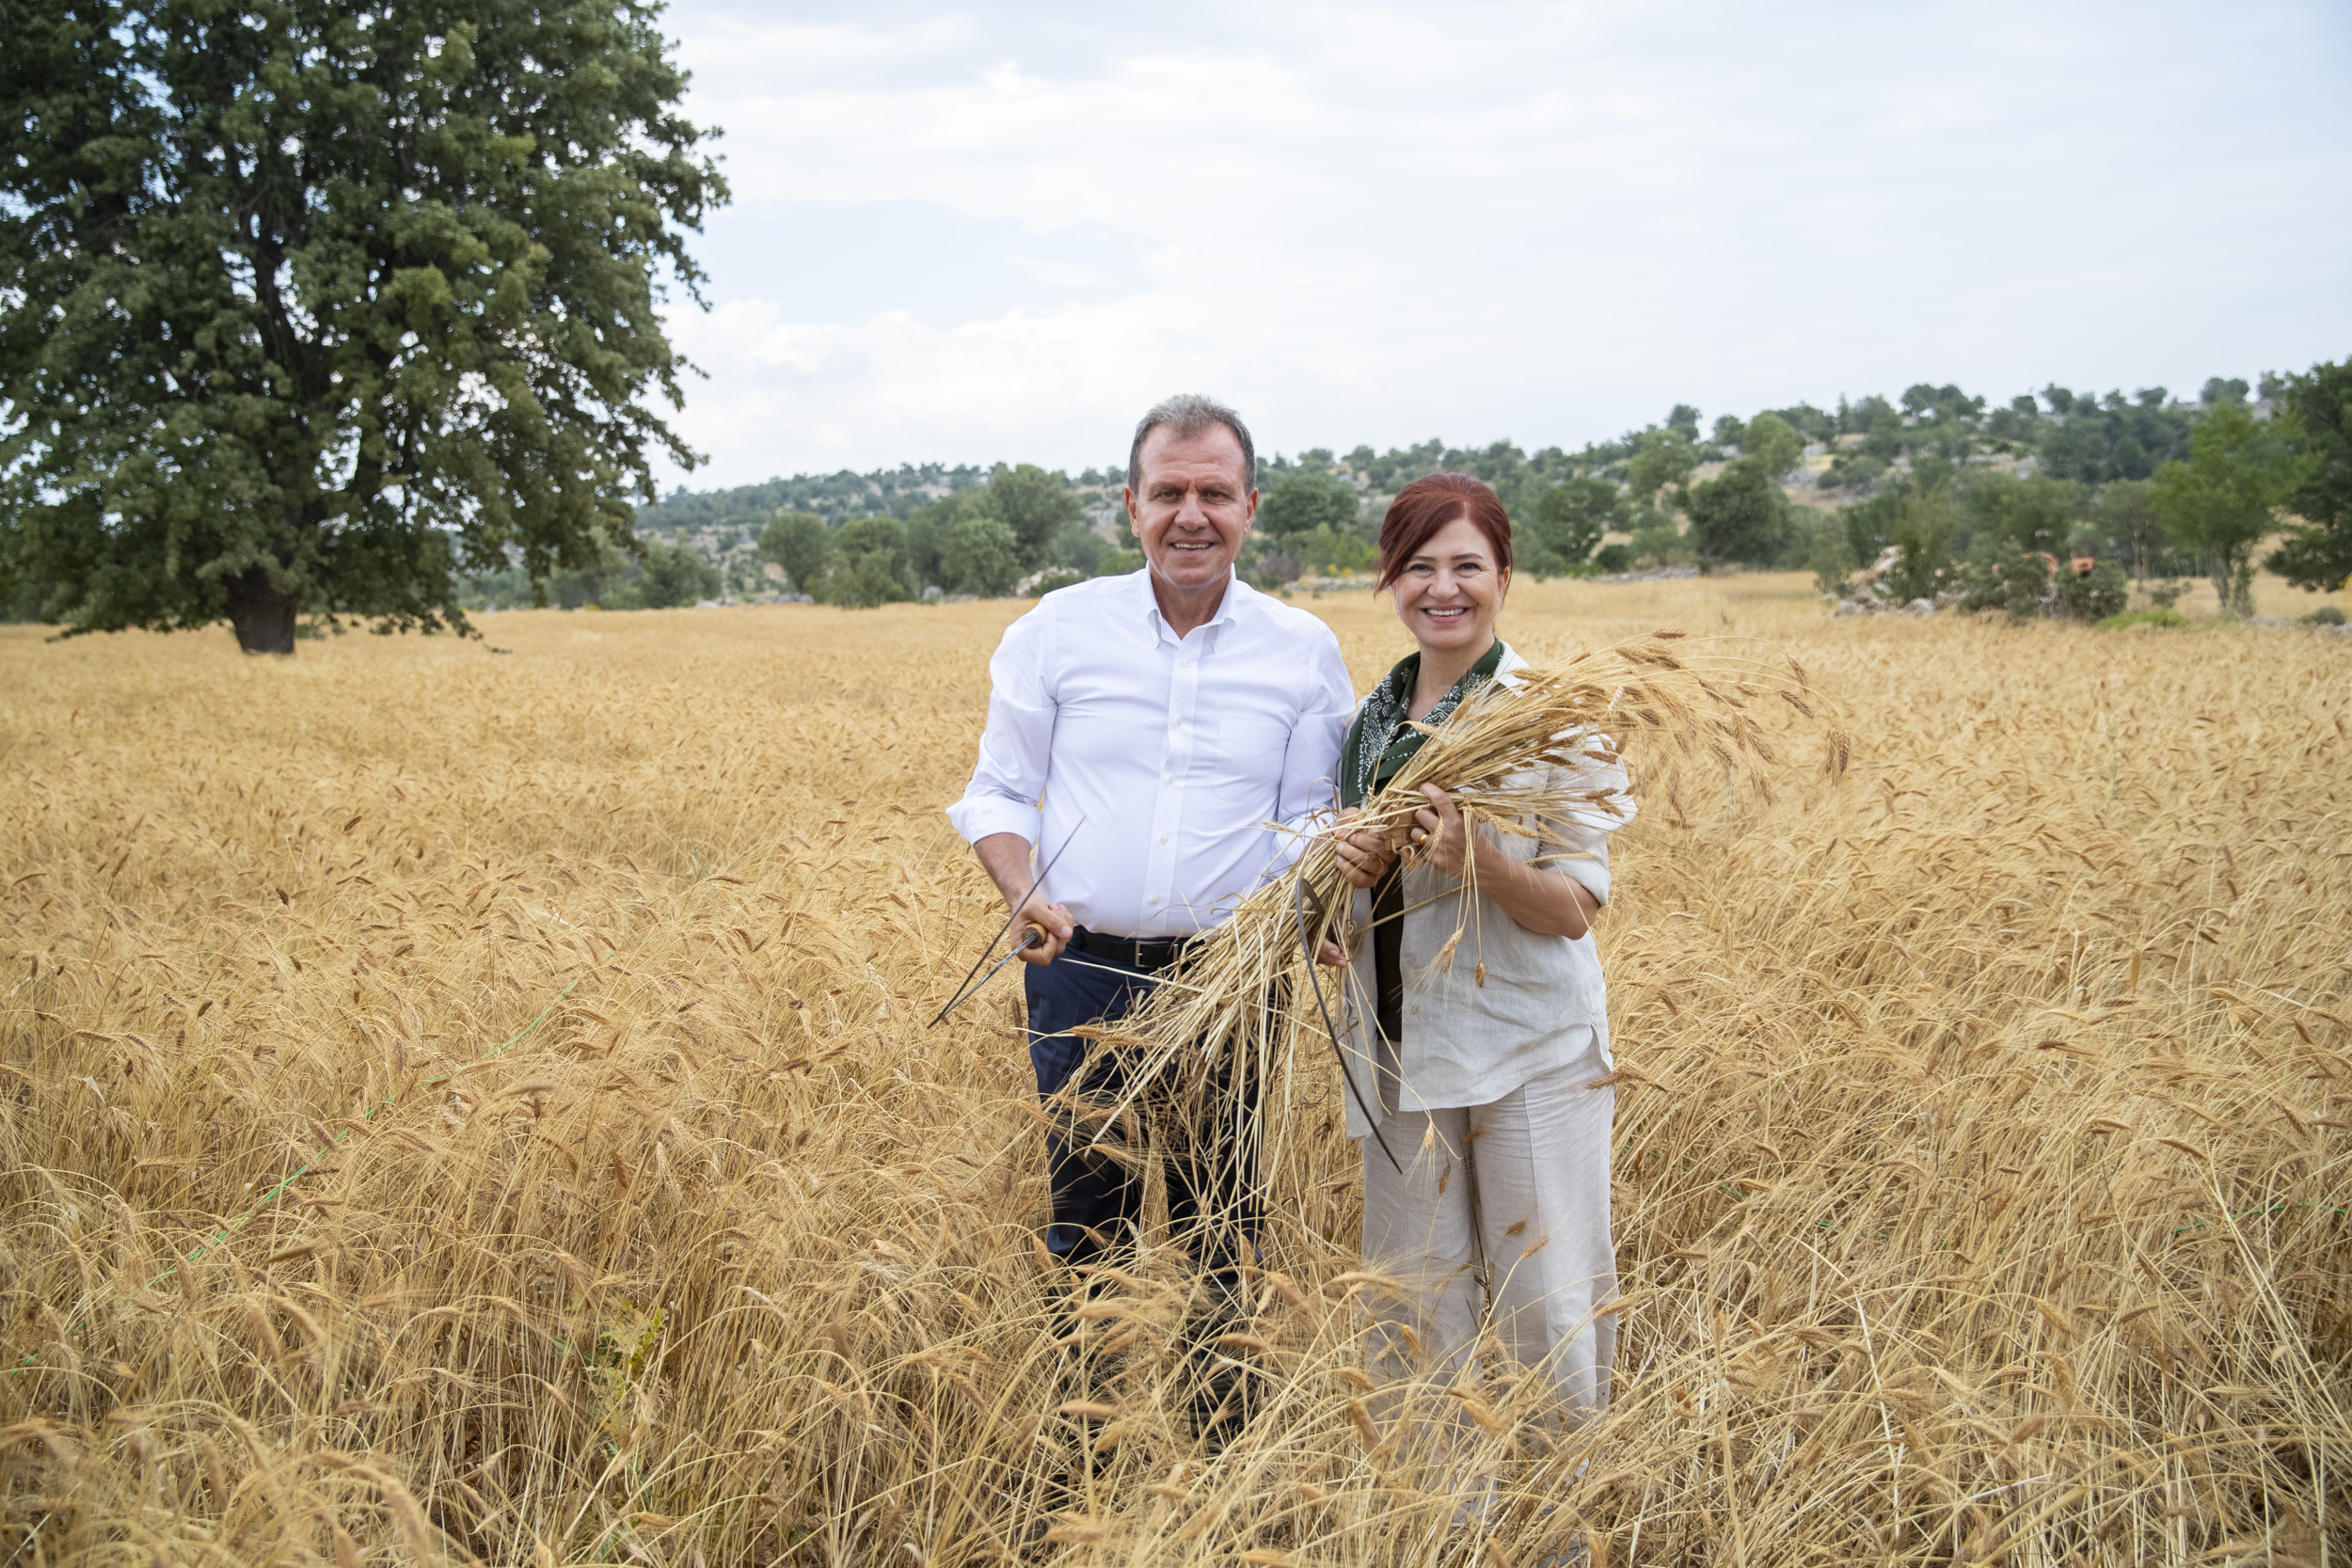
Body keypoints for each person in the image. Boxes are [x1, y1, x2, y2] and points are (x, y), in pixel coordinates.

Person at [946, 393, 1354, 1424]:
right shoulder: (1059, 628)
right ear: (1130, 505)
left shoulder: (1300, 649)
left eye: (1213, 492)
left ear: (1249, 507)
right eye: (1167, 491)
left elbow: (1310, 815)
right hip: (1083, 970)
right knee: (1090, 1224)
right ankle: (1090, 1452)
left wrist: (1313, 903)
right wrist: (1020, 882)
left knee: (1227, 1219)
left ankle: (1221, 1459)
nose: (1190, 514)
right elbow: (997, 791)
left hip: (1233, 974)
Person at [1327, 472, 1633, 1429]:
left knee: (1545, 1304)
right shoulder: (1366, 725)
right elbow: (1350, 913)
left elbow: (1574, 905)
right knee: (1416, 1313)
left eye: (1467, 564)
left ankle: (1560, 1530)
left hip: (1524, 1048)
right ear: (1391, 581)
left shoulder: (1553, 716)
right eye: (1418, 567)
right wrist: (1341, 879)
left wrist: (1481, 861)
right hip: (1395, 1056)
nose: (1442, 587)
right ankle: (1441, 1523)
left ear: (1505, 573)